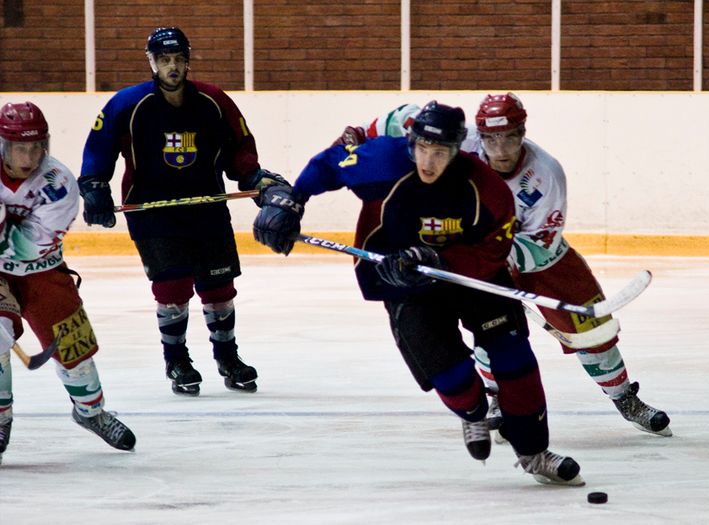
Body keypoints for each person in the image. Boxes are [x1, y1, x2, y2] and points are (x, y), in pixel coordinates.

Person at [254, 101, 585, 486]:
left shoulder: (486, 188)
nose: (428, 161)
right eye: (422, 149)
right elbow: (329, 164)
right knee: (453, 379)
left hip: (470, 277)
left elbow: (493, 250)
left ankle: (534, 453)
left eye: (441, 152)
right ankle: (475, 413)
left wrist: (441, 259)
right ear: (410, 142)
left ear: (459, 148)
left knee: (515, 360)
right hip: (405, 282)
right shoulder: (383, 160)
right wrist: (294, 200)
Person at [334, 94, 672, 437]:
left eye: (510, 136)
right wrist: (358, 134)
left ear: (523, 132)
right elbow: (401, 118)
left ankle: (624, 397)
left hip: (539, 261)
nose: (501, 148)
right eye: (492, 138)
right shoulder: (458, 141)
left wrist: (492, 261)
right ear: (478, 135)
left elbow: (542, 243)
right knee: (491, 330)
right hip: (472, 255)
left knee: (592, 329)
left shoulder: (545, 175)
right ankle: (497, 398)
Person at [79, 27, 288, 396]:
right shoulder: (128, 104)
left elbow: (238, 146)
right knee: (172, 287)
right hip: (151, 209)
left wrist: (253, 176)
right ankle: (177, 360)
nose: (172, 67)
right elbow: (100, 145)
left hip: (206, 205)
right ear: (152, 63)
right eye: (164, 60)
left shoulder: (213, 100)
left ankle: (227, 356)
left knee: (219, 287)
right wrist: (95, 186)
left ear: (187, 60)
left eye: (177, 59)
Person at [0, 101, 136, 464]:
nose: (28, 156)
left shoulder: (58, 182)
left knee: (74, 350)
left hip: (41, 270)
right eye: (18, 147)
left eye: (35, 147)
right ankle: (0, 422)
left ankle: (91, 412)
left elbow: (29, 246)